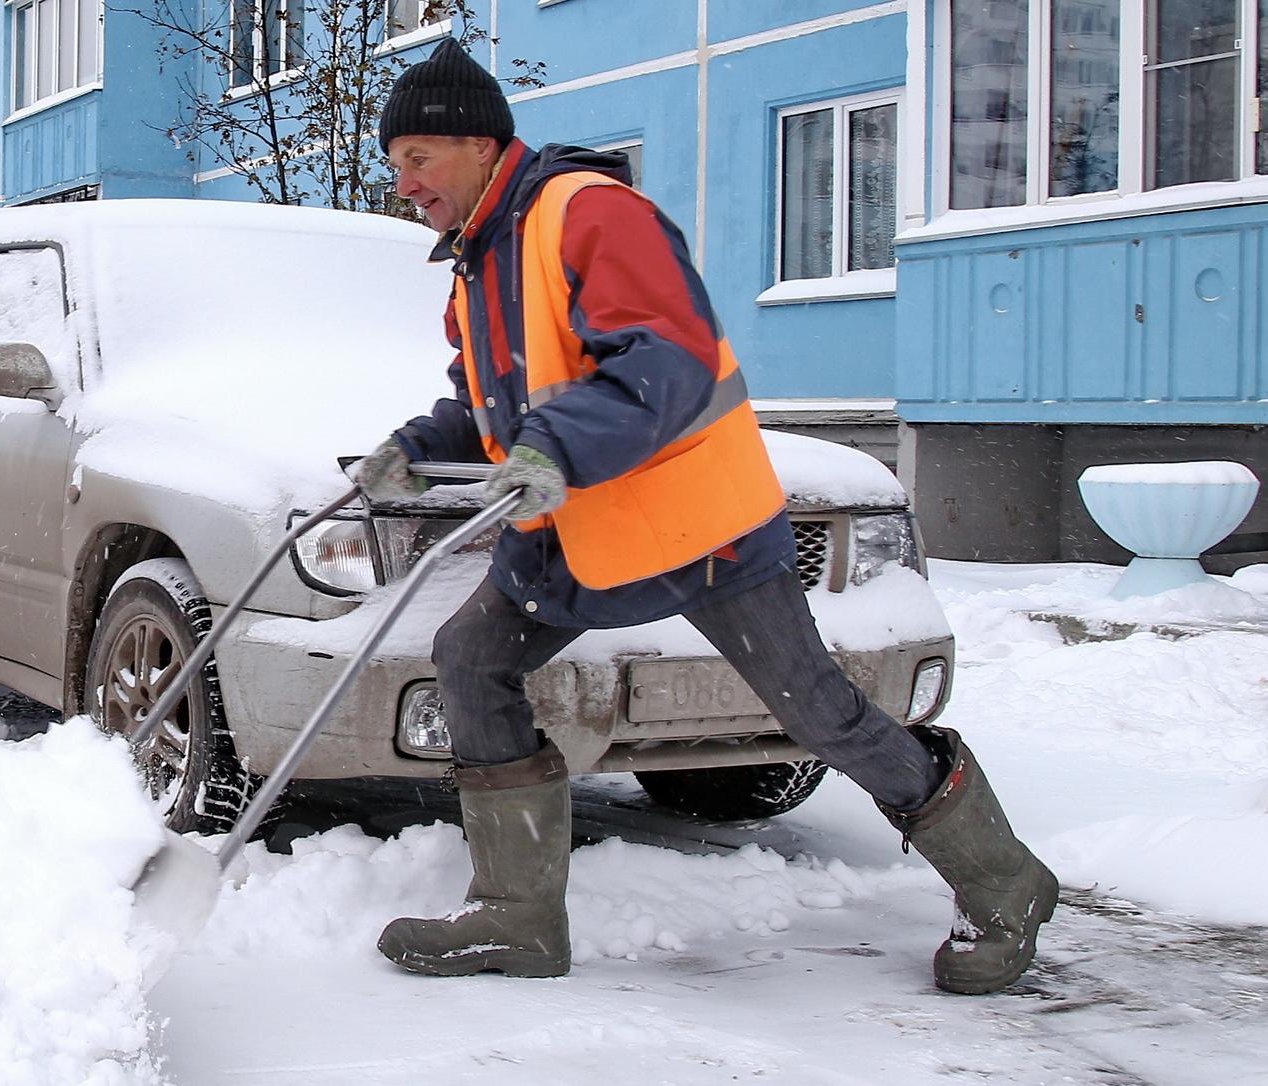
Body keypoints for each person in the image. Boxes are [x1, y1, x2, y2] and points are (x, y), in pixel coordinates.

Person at [354, 41, 1057, 995]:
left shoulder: (590, 214)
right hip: (578, 530)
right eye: (397, 165)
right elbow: (493, 403)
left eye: (417, 159)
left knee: (821, 713)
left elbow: (666, 360)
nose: (404, 185)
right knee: (472, 657)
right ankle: (516, 916)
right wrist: (414, 447)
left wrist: (551, 445)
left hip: (700, 526)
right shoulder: (479, 260)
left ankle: (1004, 881)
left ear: (479, 146)